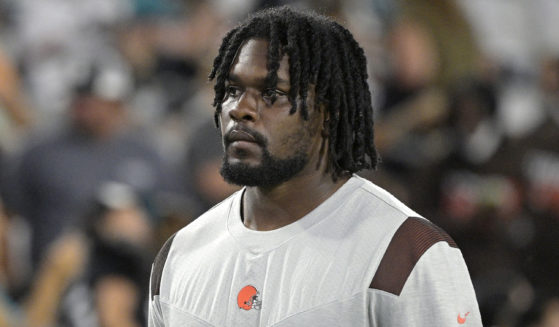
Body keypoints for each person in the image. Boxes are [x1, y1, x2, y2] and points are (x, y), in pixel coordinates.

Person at [148, 6, 482, 326]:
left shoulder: (403, 250)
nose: (240, 109)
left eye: (271, 94)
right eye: (232, 90)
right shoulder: (180, 255)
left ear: (329, 112)